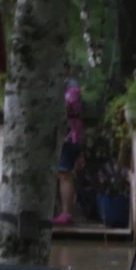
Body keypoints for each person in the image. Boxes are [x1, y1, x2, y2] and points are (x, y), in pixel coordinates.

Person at [53, 78, 84, 225]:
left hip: (70, 135)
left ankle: (66, 213)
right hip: (71, 134)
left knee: (64, 174)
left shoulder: (71, 87)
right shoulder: (65, 85)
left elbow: (66, 106)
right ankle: (65, 211)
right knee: (64, 174)